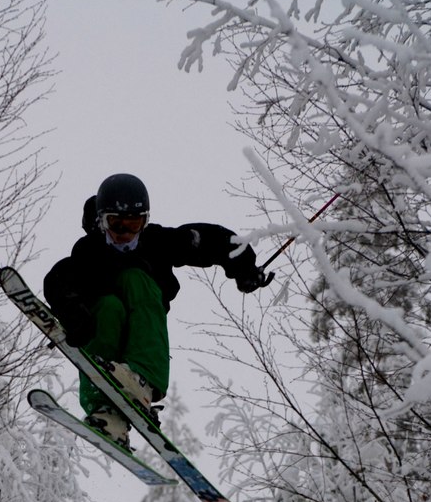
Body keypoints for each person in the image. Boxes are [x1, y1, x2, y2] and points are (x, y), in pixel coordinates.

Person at [43, 173, 272, 449]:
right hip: (106, 324)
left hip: (144, 317)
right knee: (108, 307)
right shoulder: (89, 252)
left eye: (134, 224)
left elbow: (208, 241)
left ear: (145, 222)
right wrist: (72, 312)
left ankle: (141, 377)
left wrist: (244, 267)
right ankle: (106, 412)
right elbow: (58, 280)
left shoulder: (155, 243)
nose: (124, 233)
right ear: (102, 221)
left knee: (135, 279)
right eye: (116, 223)